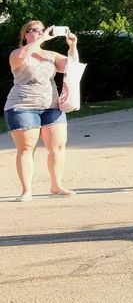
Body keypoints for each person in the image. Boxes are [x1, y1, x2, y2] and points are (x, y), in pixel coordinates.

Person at [5, 21, 78, 201]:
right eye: (35, 30)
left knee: (58, 147)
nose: (39, 33)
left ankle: (56, 185)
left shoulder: (50, 55)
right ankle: (26, 190)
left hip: (52, 106)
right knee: (27, 148)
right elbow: (22, 57)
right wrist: (43, 38)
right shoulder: (17, 53)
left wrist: (73, 46)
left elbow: (72, 66)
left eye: (42, 30)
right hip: (23, 107)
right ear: (25, 35)